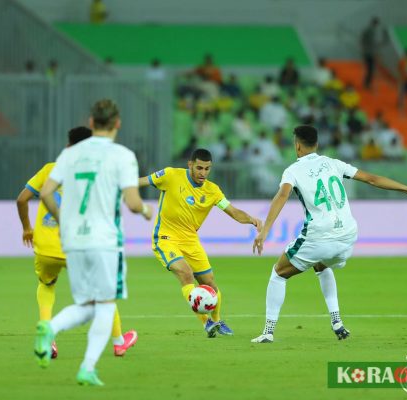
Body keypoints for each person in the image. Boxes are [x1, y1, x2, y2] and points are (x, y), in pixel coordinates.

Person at [250, 125, 407, 343]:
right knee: (321, 264)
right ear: (316, 144)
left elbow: (282, 195)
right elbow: (372, 178)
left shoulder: (292, 171)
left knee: (278, 273)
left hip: (319, 236)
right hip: (347, 236)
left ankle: (268, 331)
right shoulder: (333, 163)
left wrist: (264, 230)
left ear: (297, 145)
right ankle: (337, 322)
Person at [34, 99, 153, 386]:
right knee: (105, 303)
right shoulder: (122, 155)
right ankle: (86, 365)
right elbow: (134, 202)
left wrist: (63, 220)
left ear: (91, 122)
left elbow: (46, 192)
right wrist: (147, 211)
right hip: (105, 240)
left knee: (88, 303)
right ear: (117, 123)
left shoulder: (69, 155)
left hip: (73, 240)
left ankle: (51, 329)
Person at [16, 126, 139, 361]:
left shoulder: (50, 170)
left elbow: (22, 199)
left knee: (46, 285)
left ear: (68, 145)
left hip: (45, 248)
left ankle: (47, 336)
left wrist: (26, 228)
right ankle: (118, 342)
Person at [138, 149, 262, 338]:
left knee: (210, 283)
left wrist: (252, 219)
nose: (203, 173)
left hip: (191, 241)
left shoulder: (212, 191)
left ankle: (217, 320)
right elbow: (142, 181)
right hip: (166, 238)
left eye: (207, 169)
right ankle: (207, 323)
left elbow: (233, 212)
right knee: (186, 273)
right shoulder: (171, 175)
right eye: (199, 168)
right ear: (190, 164)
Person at [361, 17, 381, 89]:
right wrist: (375, 52)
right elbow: (372, 42)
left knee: (369, 69)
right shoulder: (371, 31)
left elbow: (363, 40)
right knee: (371, 69)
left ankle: (366, 83)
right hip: (369, 53)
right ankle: (367, 84)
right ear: (376, 23)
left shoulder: (367, 30)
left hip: (366, 52)